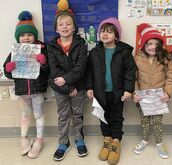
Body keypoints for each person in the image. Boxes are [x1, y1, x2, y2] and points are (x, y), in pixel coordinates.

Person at [86, 17, 136, 165]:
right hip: (100, 93)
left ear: (116, 35)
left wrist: (128, 90)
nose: (105, 34)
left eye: (109, 31)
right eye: (102, 31)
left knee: (116, 117)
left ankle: (116, 142)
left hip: (118, 93)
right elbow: (89, 72)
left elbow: (130, 72)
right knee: (103, 117)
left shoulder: (124, 52)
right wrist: (89, 87)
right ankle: (106, 139)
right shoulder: (95, 52)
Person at [3, 11, 50, 159]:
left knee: (39, 114)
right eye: (22, 35)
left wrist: (43, 63)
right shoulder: (14, 51)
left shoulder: (42, 49)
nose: (26, 38)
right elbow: (8, 72)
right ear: (18, 37)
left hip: (37, 90)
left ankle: (39, 140)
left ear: (34, 36)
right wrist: (8, 69)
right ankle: (24, 138)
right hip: (22, 90)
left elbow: (49, 71)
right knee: (25, 115)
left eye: (29, 34)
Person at [47, 0, 88, 161]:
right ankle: (64, 142)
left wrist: (71, 84)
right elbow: (54, 69)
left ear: (74, 27)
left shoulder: (81, 44)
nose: (64, 27)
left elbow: (80, 68)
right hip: (60, 89)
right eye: (61, 24)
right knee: (63, 116)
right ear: (56, 28)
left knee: (77, 114)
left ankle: (79, 139)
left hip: (78, 87)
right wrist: (66, 87)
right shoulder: (51, 46)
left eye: (68, 24)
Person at [133, 23, 172, 159]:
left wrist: (168, 92)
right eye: (149, 44)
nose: (153, 47)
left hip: (159, 98)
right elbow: (132, 77)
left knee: (157, 122)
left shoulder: (167, 58)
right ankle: (144, 140)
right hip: (143, 98)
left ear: (160, 45)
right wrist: (135, 92)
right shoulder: (137, 58)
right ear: (144, 45)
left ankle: (159, 142)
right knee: (145, 120)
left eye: (156, 43)